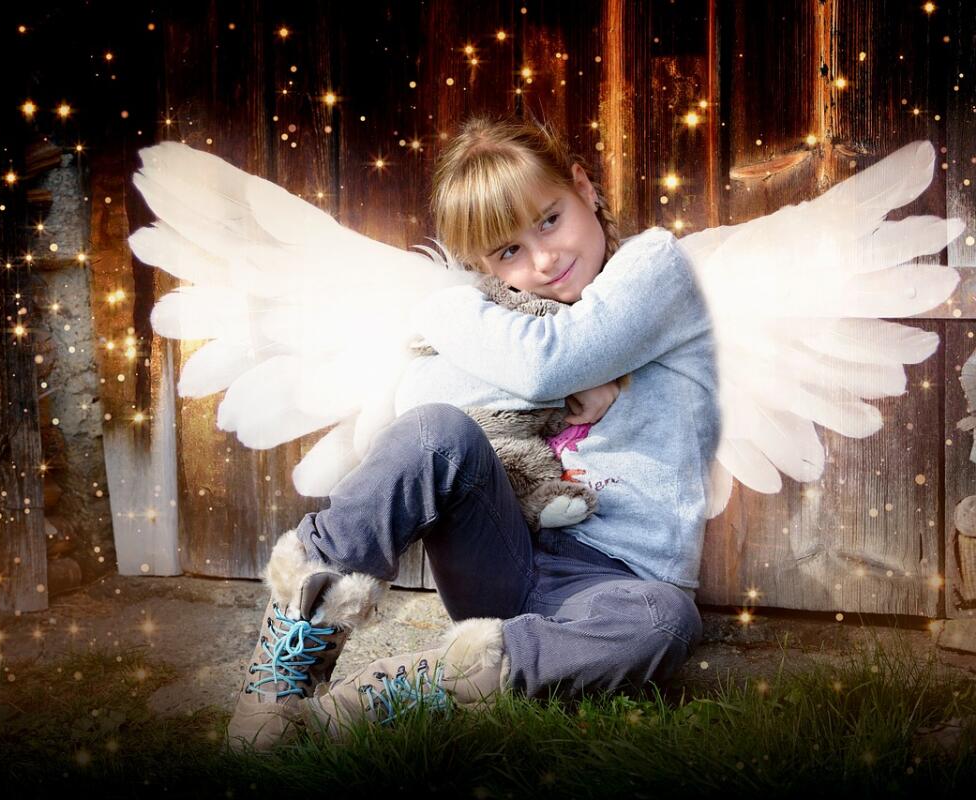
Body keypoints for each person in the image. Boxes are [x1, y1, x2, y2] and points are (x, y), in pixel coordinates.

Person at [226, 114, 721, 752]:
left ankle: (391, 696)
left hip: (616, 583)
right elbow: (423, 397)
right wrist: (560, 381)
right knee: (436, 430)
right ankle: (288, 663)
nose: (544, 259)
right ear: (480, 266)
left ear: (583, 187)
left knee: (664, 621)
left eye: (550, 219)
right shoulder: (479, 309)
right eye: (508, 251)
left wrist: (559, 370)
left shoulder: (653, 269)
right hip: (500, 556)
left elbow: (549, 361)